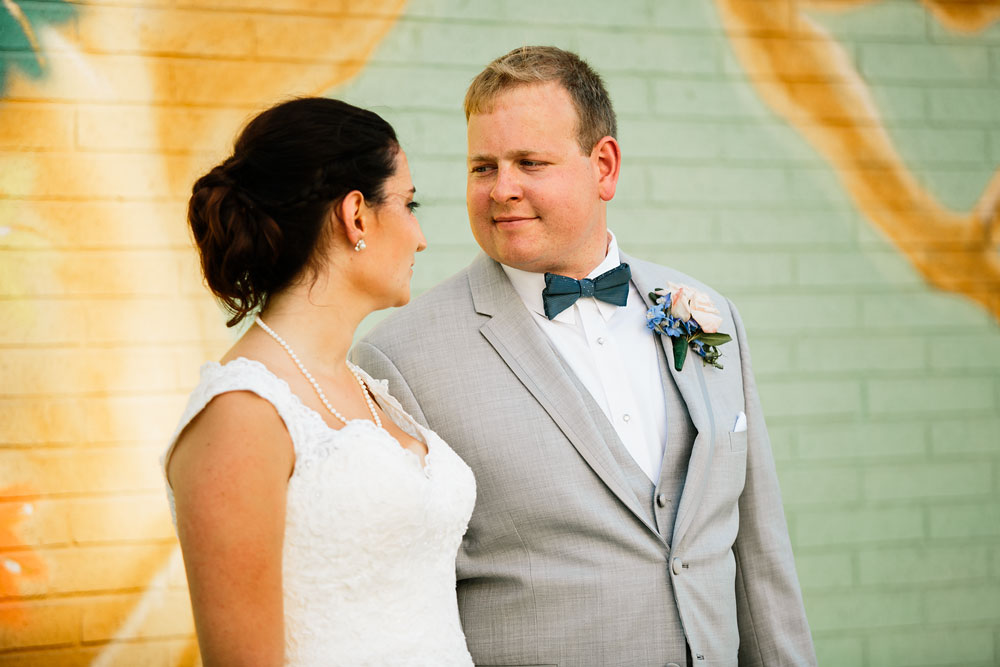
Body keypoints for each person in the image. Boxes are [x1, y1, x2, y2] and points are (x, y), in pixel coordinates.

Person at [352, 47, 817, 666]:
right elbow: (400, 608)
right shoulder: (398, 358)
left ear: (604, 167)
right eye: (483, 167)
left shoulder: (704, 312)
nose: (502, 190)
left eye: (530, 162)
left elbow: (759, 551)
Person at [162, 97, 476, 666]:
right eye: (409, 204)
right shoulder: (242, 414)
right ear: (355, 215)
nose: (421, 236)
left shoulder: (370, 390)